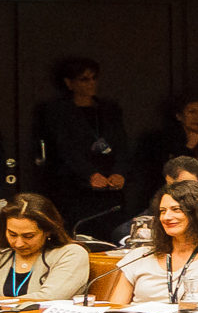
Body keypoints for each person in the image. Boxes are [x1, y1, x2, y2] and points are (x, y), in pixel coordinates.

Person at [41, 57, 135, 228]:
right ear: (69, 83)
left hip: (110, 186)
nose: (91, 83)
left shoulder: (109, 109)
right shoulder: (58, 112)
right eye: (84, 79)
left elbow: (122, 144)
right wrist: (90, 174)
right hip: (77, 187)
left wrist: (119, 172)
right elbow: (64, 149)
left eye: (93, 78)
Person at [137, 95, 198, 195]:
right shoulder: (161, 139)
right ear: (179, 116)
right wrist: (188, 147)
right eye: (192, 112)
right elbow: (165, 172)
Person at [2, 195, 92, 301]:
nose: (18, 244)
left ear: (48, 231)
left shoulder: (72, 254)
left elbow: (49, 297)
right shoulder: (4, 253)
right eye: (12, 234)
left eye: (28, 236)